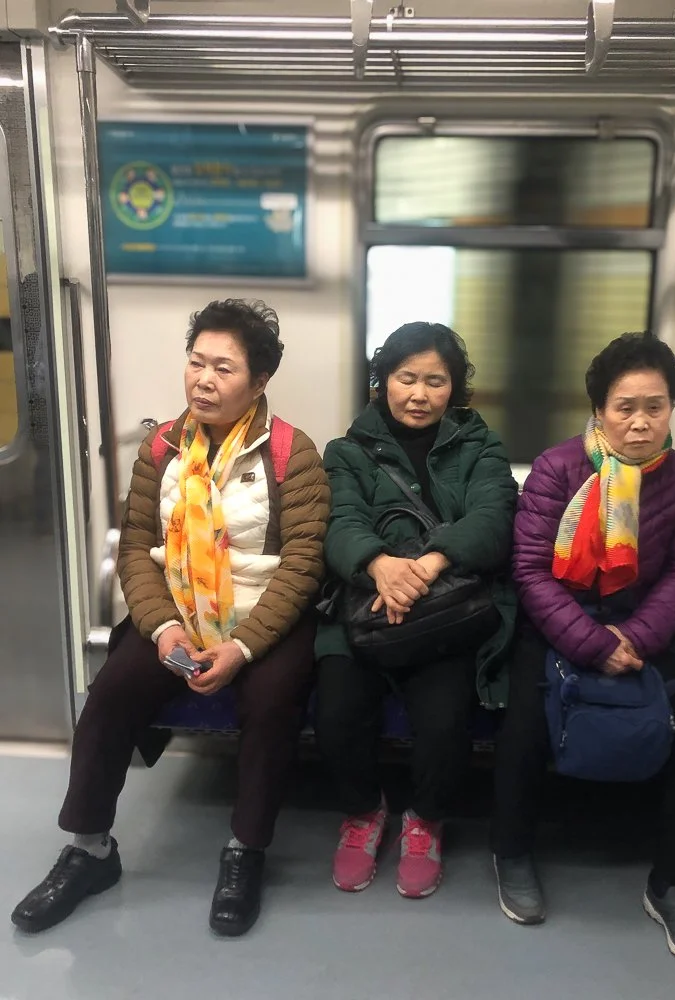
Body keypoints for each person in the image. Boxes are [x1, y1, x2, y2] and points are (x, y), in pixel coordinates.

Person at [11, 299, 329, 937]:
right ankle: (90, 849)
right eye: (196, 363)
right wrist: (163, 629)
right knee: (108, 695)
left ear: (260, 381)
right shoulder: (162, 449)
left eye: (224, 368)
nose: (204, 380)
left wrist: (241, 646)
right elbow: (135, 547)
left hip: (262, 620)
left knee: (272, 704)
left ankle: (245, 850)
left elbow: (304, 564)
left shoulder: (292, 453)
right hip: (178, 615)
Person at [492, 332, 675, 967]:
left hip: (643, 624)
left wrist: (638, 637)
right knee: (524, 727)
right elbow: (533, 573)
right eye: (625, 407)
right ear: (599, 410)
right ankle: (511, 852)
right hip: (562, 620)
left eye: (655, 405)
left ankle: (673, 882)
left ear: (673, 406)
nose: (641, 422)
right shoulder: (559, 468)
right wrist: (592, 644)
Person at [315, 322, 517, 899]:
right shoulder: (347, 451)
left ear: (454, 388)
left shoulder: (480, 444)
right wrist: (380, 566)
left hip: (447, 609)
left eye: (435, 380)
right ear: (383, 382)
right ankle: (362, 814)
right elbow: (340, 523)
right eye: (407, 378)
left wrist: (424, 568)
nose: (419, 394)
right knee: (336, 711)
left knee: (445, 720)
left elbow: (494, 518)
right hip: (361, 604)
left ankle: (425, 821)